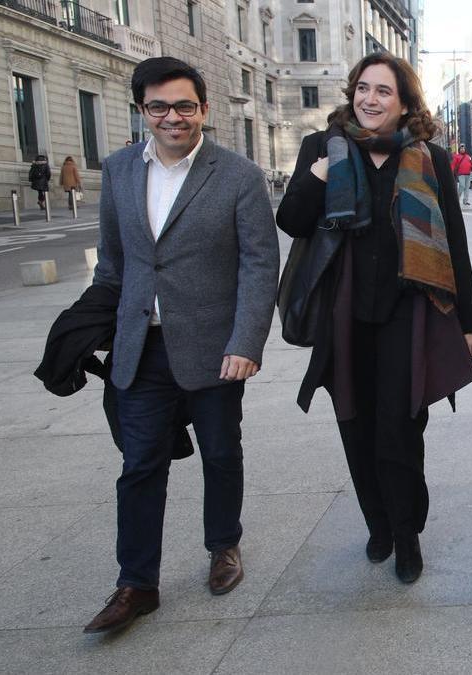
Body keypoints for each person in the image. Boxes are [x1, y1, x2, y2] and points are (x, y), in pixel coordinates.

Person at [83, 57, 279, 634]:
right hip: (140, 347)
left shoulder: (238, 174)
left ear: (204, 110)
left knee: (220, 452)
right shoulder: (119, 169)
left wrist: (247, 342)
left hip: (216, 348)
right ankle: (136, 583)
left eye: (185, 106)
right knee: (139, 463)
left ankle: (223, 545)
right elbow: (113, 261)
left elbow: (259, 265)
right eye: (160, 106)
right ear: (142, 110)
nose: (173, 117)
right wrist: (88, 329)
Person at [275, 52, 472, 584]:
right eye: (363, 89)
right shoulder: (323, 148)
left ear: (405, 102)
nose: (370, 99)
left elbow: (454, 242)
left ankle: (407, 533)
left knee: (402, 427)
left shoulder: (428, 157)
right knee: (355, 425)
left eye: (383, 91)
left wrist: (468, 320)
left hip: (407, 313)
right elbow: (292, 219)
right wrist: (319, 176)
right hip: (343, 315)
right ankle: (379, 525)